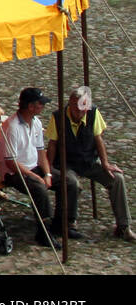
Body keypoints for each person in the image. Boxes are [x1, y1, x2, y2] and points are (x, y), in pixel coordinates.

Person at [46, 85, 134, 242]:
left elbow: (98, 139)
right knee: (71, 182)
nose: (80, 112)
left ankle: (123, 226)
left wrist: (105, 163)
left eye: (83, 109)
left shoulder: (93, 112)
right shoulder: (58, 116)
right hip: (67, 162)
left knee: (117, 179)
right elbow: (52, 143)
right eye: (77, 108)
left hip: (89, 160)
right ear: (71, 104)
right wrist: (50, 167)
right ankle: (70, 222)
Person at [0, 87, 60, 247]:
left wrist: (47, 174)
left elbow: (41, 152)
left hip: (33, 166)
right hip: (14, 172)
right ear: (31, 106)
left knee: (69, 182)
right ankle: (44, 231)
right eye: (41, 103)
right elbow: (11, 162)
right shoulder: (12, 127)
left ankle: (64, 222)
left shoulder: (36, 122)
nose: (43, 106)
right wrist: (37, 177)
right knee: (39, 189)